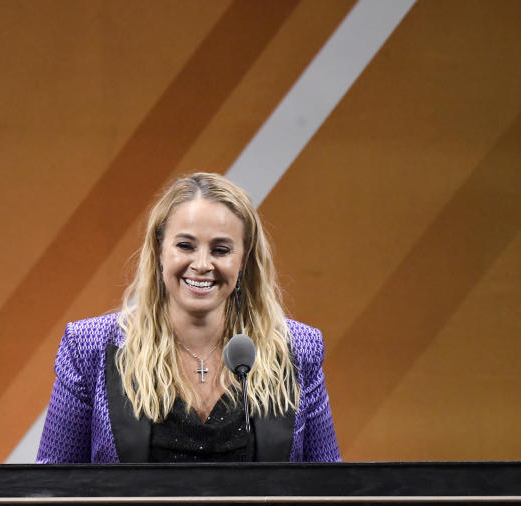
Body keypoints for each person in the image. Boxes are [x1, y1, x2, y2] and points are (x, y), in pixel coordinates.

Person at [36, 172, 340, 463]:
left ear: (243, 260)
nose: (202, 264)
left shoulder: (299, 349)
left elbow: (331, 491)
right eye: (185, 246)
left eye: (221, 250)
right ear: (158, 250)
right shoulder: (89, 347)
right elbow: (49, 491)